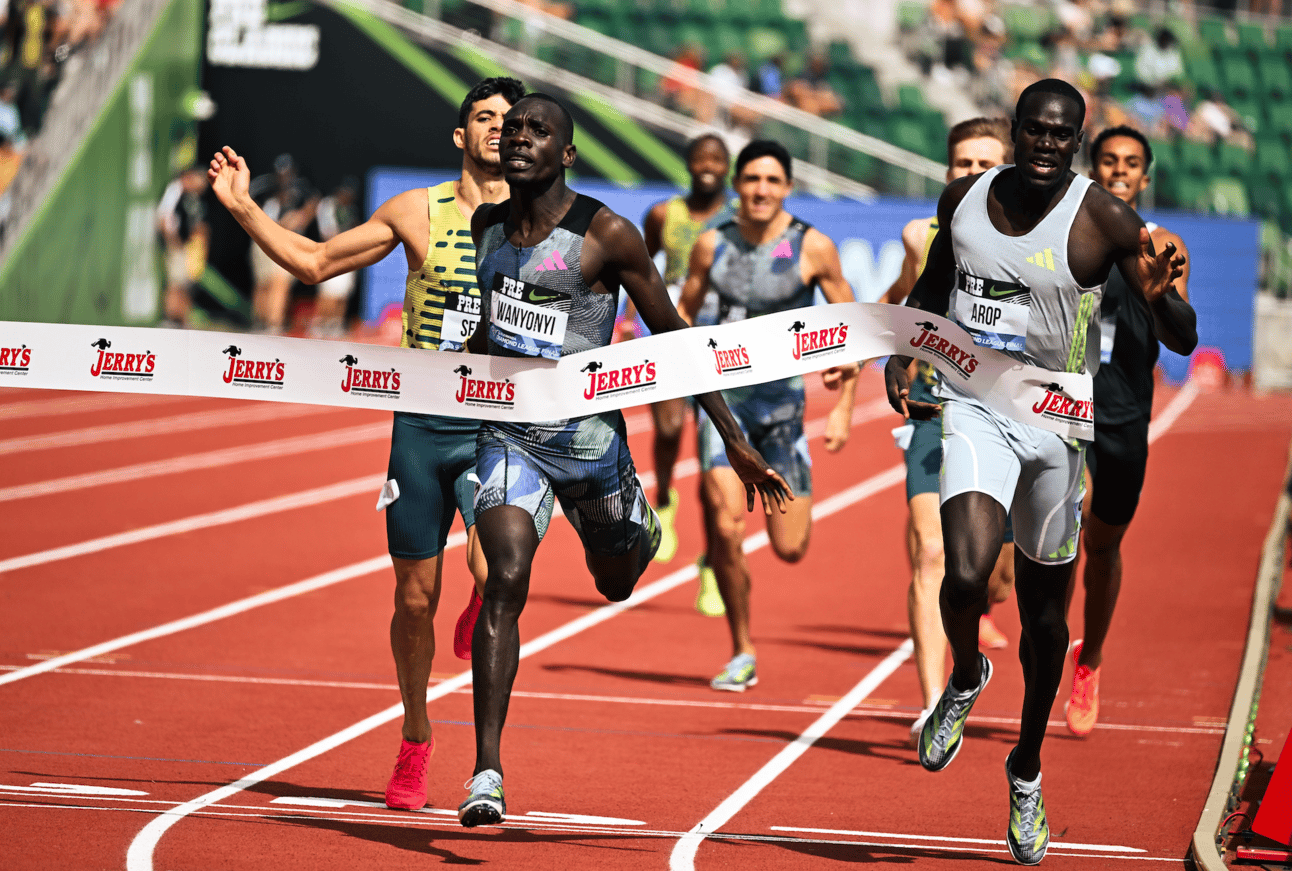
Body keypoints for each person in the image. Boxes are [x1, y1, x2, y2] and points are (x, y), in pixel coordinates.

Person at [883, 79, 1195, 864]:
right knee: (962, 571)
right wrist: (902, 349)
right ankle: (964, 674)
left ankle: (1025, 766)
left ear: (1077, 142)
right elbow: (933, 284)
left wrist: (1163, 300)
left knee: (1046, 623)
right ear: (1016, 130)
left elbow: (1184, 336)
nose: (1048, 144)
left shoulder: (1104, 218)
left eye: (1062, 134)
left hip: (1058, 427)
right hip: (975, 406)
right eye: (1036, 130)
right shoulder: (963, 199)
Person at [458, 93, 791, 827]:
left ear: (567, 153)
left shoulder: (606, 233)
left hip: (589, 445)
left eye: (538, 130)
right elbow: (488, 329)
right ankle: (486, 770)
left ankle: (639, 524)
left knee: (615, 581)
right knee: (504, 577)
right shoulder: (486, 227)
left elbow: (673, 333)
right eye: (512, 128)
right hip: (510, 435)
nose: (519, 138)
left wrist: (732, 436)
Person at [207, 76, 528, 815]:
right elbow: (315, 264)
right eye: (484, 118)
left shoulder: (539, 221)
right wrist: (244, 207)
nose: (497, 130)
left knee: (496, 567)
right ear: (461, 135)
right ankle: (416, 734)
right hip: (421, 427)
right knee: (414, 600)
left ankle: (485, 598)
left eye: (510, 122)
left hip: (497, 426)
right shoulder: (418, 211)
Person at [678, 139, 859, 693]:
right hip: (723, 407)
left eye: (772, 180)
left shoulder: (813, 247)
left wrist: (844, 406)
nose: (760, 190)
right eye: (751, 179)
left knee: (789, 548)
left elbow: (852, 323)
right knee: (727, 524)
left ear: (787, 187)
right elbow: (682, 311)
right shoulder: (711, 244)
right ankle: (742, 649)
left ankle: (728, 546)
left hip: (782, 410)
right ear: (737, 185)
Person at [879, 117, 1017, 744]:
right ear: (947, 171)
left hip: (1011, 419)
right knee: (929, 552)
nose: (973, 174)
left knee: (995, 575)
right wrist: (872, 352)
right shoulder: (922, 235)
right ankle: (933, 700)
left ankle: (978, 608)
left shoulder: (1032, 239)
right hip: (936, 413)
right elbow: (903, 298)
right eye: (963, 164)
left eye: (986, 164)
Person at [1065, 125, 1191, 737]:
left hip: (1123, 412)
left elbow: (1183, 337)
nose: (1119, 169)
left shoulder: (1162, 245)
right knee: (1060, 529)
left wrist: (1159, 297)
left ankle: (1089, 659)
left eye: (1131, 162)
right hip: (1062, 404)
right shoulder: (1067, 232)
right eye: (1109, 160)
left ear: (1145, 175)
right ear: (1094, 168)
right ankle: (1047, 645)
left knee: (1104, 546)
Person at [627, 132, 734, 615]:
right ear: (689, 164)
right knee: (668, 428)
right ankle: (664, 501)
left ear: (727, 167)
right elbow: (640, 265)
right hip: (671, 331)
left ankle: (710, 565)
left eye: (717, 159)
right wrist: (630, 318)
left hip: (724, 343)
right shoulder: (662, 214)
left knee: (715, 470)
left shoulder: (739, 217)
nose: (708, 166)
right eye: (700, 159)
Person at [246, 153, 318, 333]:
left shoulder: (302, 191)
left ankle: (272, 324)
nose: (284, 177)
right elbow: (249, 207)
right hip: (264, 240)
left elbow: (313, 205)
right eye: (281, 173)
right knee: (265, 284)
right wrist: (280, 223)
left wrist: (300, 217)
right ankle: (263, 323)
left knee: (279, 282)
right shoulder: (265, 188)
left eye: (288, 173)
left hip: (285, 242)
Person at [156, 168, 210, 328]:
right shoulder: (174, 190)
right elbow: (164, 219)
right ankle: (171, 317)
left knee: (186, 284)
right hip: (177, 246)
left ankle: (182, 318)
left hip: (188, 247)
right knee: (176, 283)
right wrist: (174, 242)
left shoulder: (190, 197)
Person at [309, 176, 360, 338]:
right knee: (329, 292)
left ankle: (335, 324)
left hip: (347, 254)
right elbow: (328, 233)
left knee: (343, 292)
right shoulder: (328, 205)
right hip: (331, 254)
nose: (348, 196)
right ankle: (320, 324)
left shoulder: (350, 209)